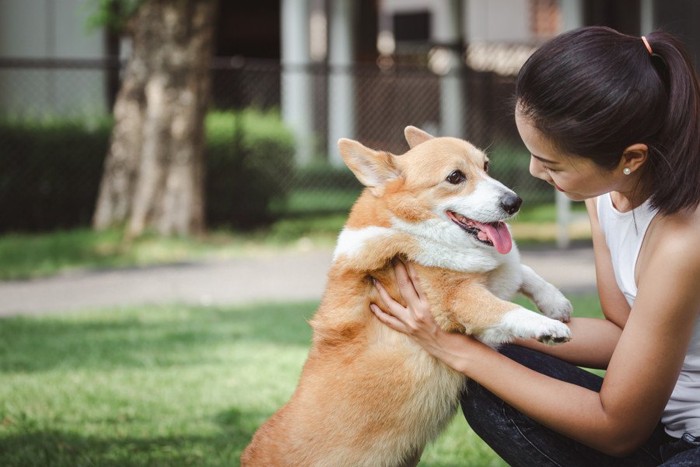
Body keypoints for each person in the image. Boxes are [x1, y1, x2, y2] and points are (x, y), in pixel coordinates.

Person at [370, 26, 700, 466]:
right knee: (487, 375)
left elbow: (618, 430)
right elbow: (624, 333)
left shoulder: (683, 241)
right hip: (660, 426)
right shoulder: (607, 199)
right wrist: (469, 323)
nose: (534, 172)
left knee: (478, 364)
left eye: (552, 163)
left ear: (631, 159)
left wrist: (455, 348)